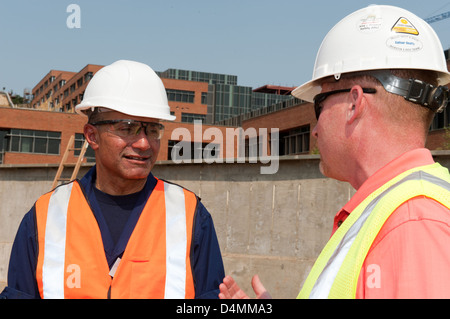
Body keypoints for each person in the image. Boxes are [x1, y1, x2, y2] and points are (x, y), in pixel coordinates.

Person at [219, 5, 450, 299]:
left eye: (319, 105)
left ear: (354, 104)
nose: (315, 130)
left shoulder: (414, 224)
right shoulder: (392, 211)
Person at [1, 59, 224, 299]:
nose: (143, 143)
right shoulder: (45, 217)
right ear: (92, 136)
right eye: (127, 128)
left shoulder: (190, 216)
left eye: (152, 129)